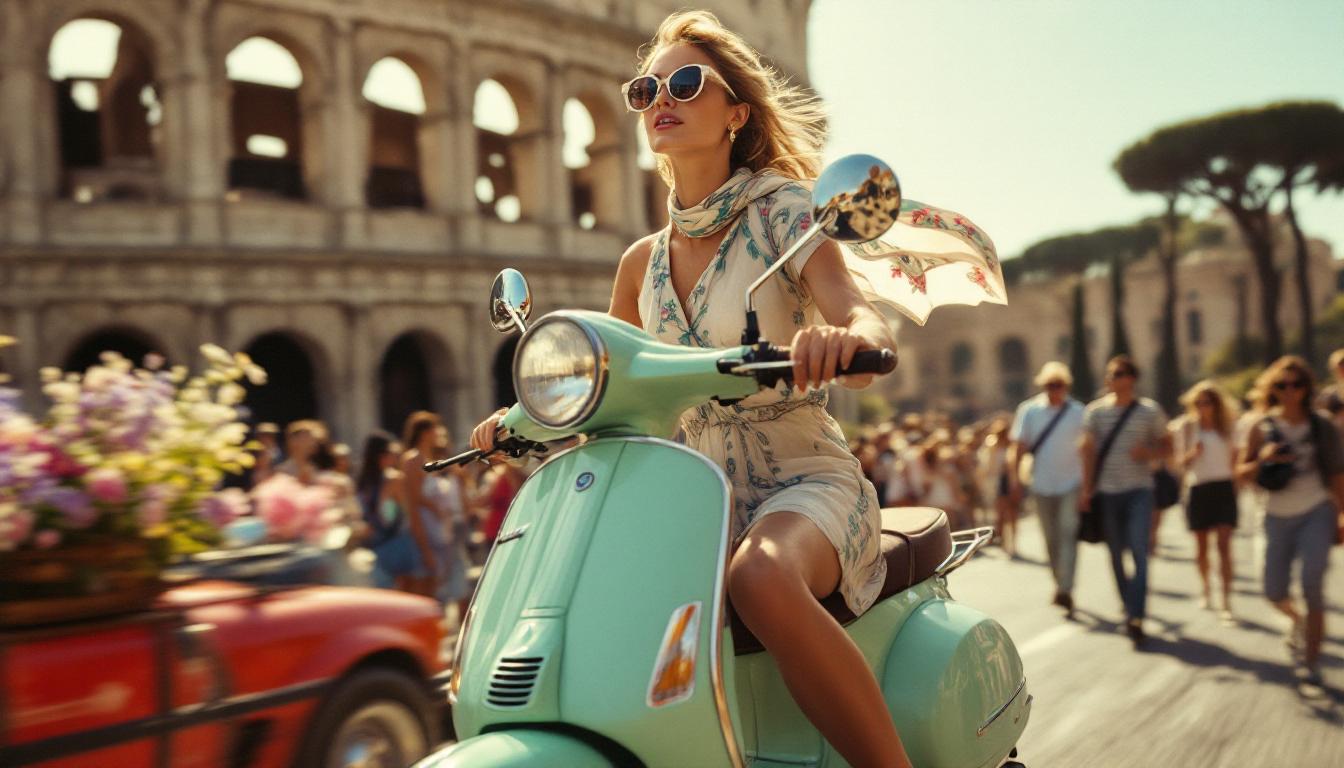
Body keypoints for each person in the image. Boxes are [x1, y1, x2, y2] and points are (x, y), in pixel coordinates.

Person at [470, 11, 909, 765]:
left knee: (760, 579)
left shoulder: (785, 213)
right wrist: (516, 421)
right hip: (688, 501)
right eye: (646, 88)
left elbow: (858, 310)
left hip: (803, 483)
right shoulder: (639, 262)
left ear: (736, 112)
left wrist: (850, 341)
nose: (659, 100)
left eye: (684, 83)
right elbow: (601, 380)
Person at [1236, 356, 1344, 689]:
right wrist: (1262, 460)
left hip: (1316, 510)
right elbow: (1240, 476)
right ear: (1273, 389)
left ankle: (1311, 663)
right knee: (1273, 590)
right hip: (1274, 515)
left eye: (1296, 384)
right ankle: (1296, 621)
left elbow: (1338, 474)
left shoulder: (1321, 424)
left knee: (1312, 584)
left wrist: (1341, 515)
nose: (1290, 391)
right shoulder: (1260, 426)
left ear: (1306, 387)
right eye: (1282, 385)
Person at [1080, 355, 1170, 646]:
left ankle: (1136, 614)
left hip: (1139, 491)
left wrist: (1149, 453)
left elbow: (1167, 445)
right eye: (1110, 374)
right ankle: (1128, 604)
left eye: (1118, 374)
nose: (1112, 379)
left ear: (1131, 378)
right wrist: (1086, 489)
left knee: (1140, 553)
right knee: (1115, 553)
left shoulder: (1149, 411)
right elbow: (1089, 452)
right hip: (1107, 493)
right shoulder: (1095, 413)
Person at [1008, 362, 1084, 615]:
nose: (1055, 390)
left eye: (1059, 385)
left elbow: (1088, 450)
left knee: (1068, 534)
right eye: (1050, 386)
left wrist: (1088, 486)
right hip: (1040, 483)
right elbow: (1018, 447)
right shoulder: (1029, 411)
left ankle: (1066, 588)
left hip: (1072, 483)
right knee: (1051, 539)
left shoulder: (1078, 412)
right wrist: (1015, 479)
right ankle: (1058, 582)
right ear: (1042, 387)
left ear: (1066, 386)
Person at [1172, 380, 1240, 621]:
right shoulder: (1188, 427)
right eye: (1198, 402)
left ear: (1216, 403)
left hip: (1223, 488)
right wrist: (1193, 453)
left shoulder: (1227, 427)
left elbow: (1236, 460)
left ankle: (1226, 599)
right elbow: (1180, 463)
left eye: (1207, 402)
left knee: (1224, 546)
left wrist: (1236, 487)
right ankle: (1205, 588)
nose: (1203, 406)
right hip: (1198, 488)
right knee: (1201, 548)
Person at [355, 431, 423, 591]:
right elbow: (405, 515)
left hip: (374, 547)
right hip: (398, 545)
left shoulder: (363, 483)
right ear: (382, 455)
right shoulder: (394, 479)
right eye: (393, 452)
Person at [399, 411, 451, 598]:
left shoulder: (428, 459)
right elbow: (413, 503)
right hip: (422, 531)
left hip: (437, 530)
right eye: (435, 429)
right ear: (425, 432)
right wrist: (424, 548)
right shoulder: (412, 460)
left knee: (436, 586)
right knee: (423, 588)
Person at [978, 418, 1016, 556]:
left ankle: (1011, 541)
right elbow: (989, 465)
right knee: (1001, 512)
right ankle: (1002, 539)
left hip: (1009, 479)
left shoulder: (1011, 445)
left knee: (1011, 511)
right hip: (999, 480)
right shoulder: (992, 444)